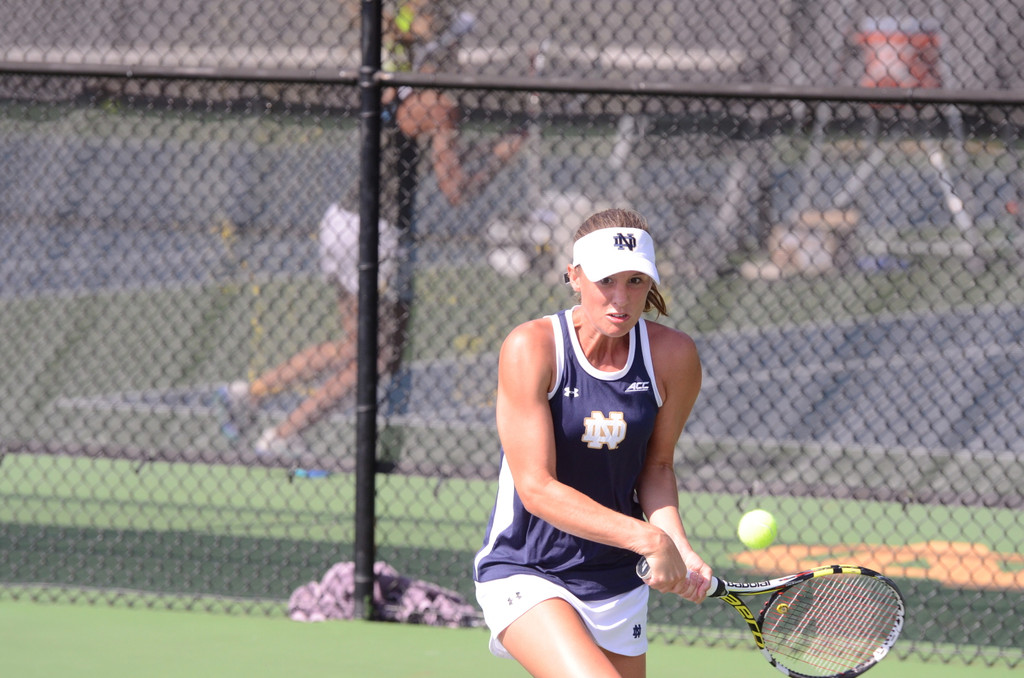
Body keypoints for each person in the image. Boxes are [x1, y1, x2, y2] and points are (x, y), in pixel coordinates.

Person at [218, 6, 525, 457]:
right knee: (378, 358)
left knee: (353, 346)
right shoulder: (442, 105)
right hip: (377, 233)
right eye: (457, 48)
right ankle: (283, 436)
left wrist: (495, 146)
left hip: (342, 220)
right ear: (440, 54)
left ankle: (250, 394)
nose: (462, 57)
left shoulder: (392, 88)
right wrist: (501, 158)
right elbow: (455, 188)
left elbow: (432, 148)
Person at [473, 208, 712, 678]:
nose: (621, 300)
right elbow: (536, 488)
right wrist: (647, 538)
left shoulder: (673, 356)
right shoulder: (532, 346)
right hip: (527, 567)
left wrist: (680, 549)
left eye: (636, 282)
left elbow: (657, 468)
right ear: (574, 276)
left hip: (617, 580)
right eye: (606, 281)